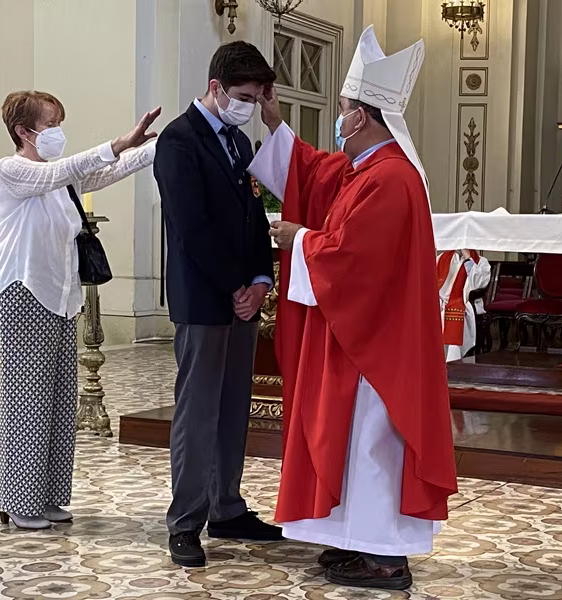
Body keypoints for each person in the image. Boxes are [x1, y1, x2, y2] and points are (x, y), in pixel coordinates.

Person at [248, 26, 457, 590]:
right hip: (368, 340)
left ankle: (386, 559)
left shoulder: (389, 179)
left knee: (372, 444)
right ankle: (360, 543)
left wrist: (298, 238)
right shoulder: (371, 170)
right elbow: (316, 175)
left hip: (377, 348)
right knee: (359, 444)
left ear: (361, 117)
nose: (338, 119)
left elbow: (353, 258)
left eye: (342, 109)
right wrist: (276, 125)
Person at [0, 90, 160, 530]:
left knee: (60, 400)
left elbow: (108, 171)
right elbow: (68, 169)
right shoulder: (12, 170)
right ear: (23, 131)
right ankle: (19, 501)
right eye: (50, 124)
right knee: (28, 401)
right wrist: (119, 142)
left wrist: (161, 143)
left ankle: (47, 496)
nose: (57, 132)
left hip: (62, 297)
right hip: (23, 293)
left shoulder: (61, 180)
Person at [153, 41, 281, 568]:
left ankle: (226, 506)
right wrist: (235, 285)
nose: (249, 105)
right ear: (216, 88)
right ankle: (186, 520)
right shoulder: (179, 140)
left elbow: (256, 215)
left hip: (242, 298)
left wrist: (261, 280)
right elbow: (192, 226)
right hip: (204, 296)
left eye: (256, 97)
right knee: (198, 411)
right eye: (244, 96)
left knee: (233, 408)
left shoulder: (240, 142)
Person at [437, 249, 491, 361]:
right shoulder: (441, 258)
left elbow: (477, 284)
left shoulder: (481, 262)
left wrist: (468, 260)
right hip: (441, 302)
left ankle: (452, 361)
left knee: (453, 312)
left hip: (464, 302)